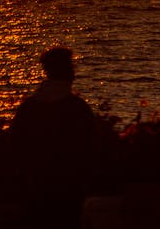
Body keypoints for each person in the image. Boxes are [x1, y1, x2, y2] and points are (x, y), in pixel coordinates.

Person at [11, 46, 99, 228]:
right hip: (67, 187)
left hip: (36, 184)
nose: (74, 71)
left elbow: (16, 144)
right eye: (71, 66)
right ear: (66, 71)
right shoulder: (76, 108)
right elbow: (90, 147)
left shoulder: (30, 107)